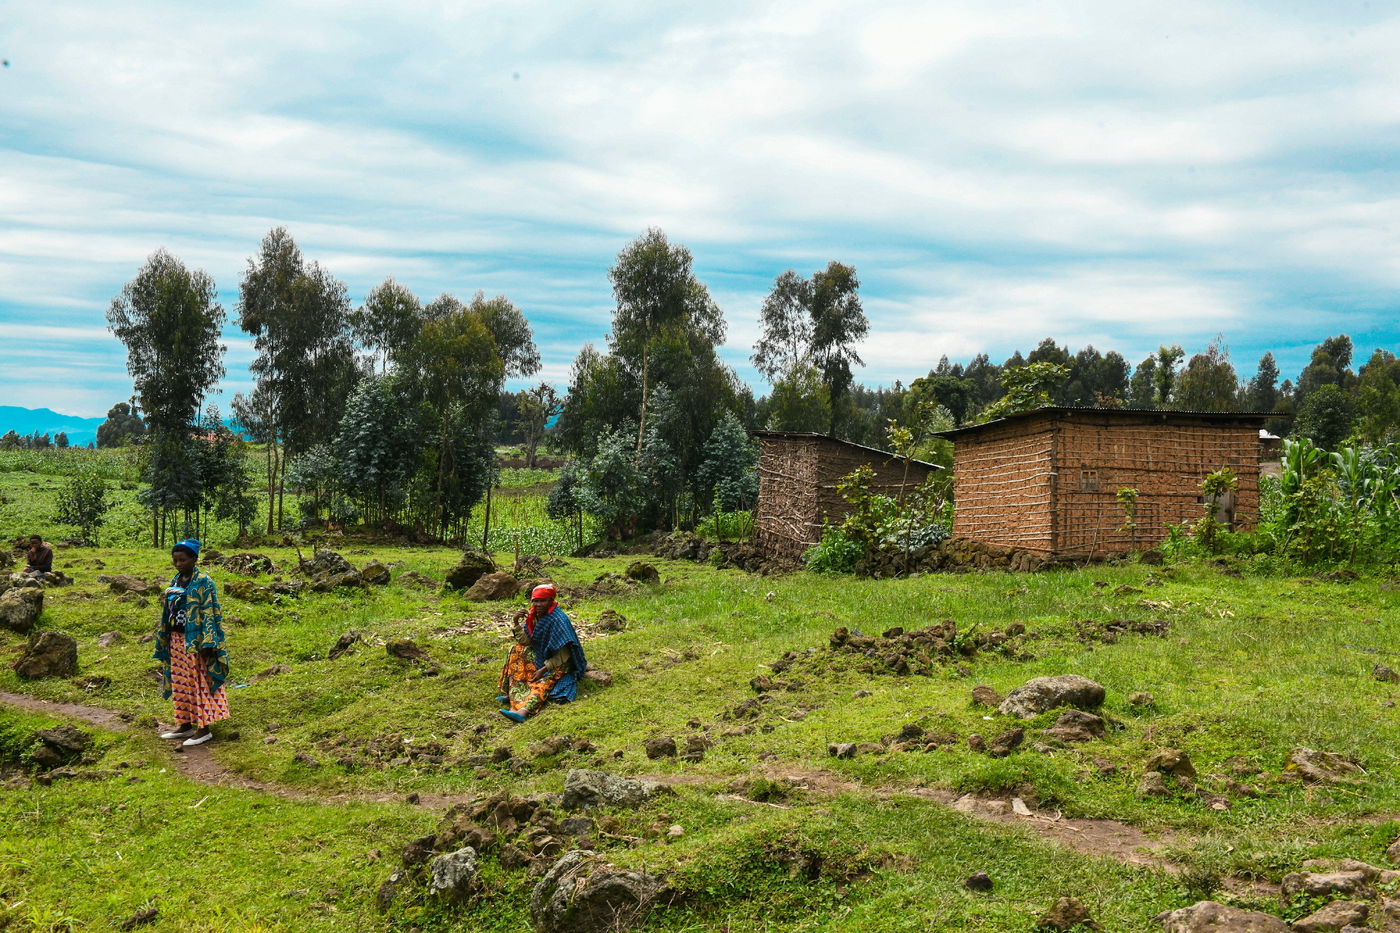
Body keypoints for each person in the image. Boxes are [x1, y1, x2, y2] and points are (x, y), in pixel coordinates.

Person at [152, 539, 229, 746]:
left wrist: (208, 642)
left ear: (194, 559)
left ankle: (204, 729)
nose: (178, 564)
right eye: (175, 560)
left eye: (182, 560)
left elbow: (211, 612)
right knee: (180, 682)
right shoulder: (176, 580)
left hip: (196, 640)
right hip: (176, 638)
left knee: (199, 682)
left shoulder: (204, 581)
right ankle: (184, 724)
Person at [498, 583, 587, 724]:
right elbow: (527, 641)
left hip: (560, 662)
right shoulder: (535, 615)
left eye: (542, 601)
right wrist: (516, 622)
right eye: (535, 601)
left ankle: (523, 711)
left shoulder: (558, 620)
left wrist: (543, 669)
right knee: (517, 650)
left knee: (544, 679)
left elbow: (564, 655)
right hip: (543, 654)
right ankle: (513, 694)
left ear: (551, 601)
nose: (538, 604)